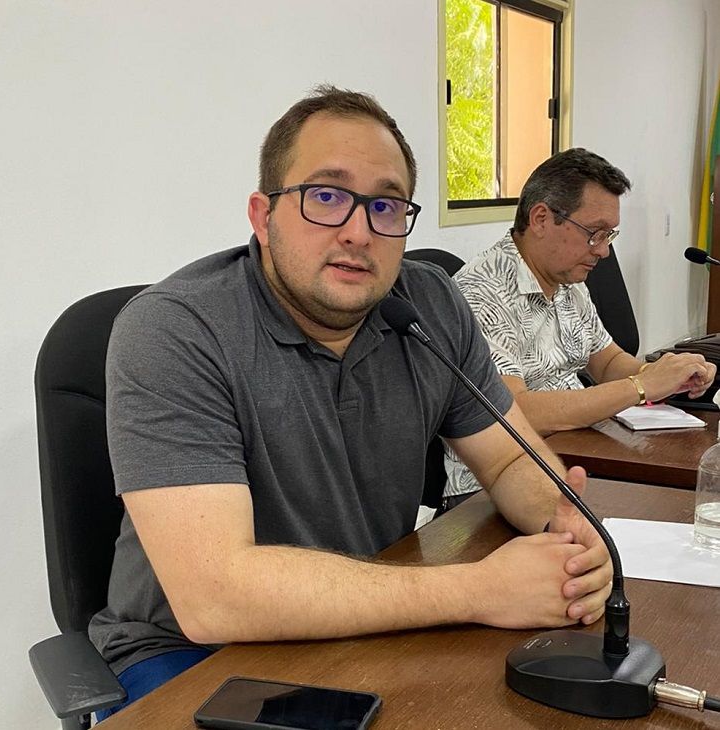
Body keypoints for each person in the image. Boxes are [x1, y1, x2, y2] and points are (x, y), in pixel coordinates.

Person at [90, 87, 611, 718]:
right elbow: (214, 596)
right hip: (195, 655)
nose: (359, 232)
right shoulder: (175, 331)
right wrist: (478, 589)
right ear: (263, 216)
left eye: (386, 206)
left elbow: (507, 459)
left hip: (368, 620)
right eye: (326, 197)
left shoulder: (429, 306)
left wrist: (563, 531)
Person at [443, 148, 716, 506]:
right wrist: (639, 387)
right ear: (541, 219)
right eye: (595, 233)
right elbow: (515, 412)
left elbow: (607, 361)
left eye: (609, 235)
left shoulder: (567, 281)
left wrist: (667, 374)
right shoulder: (480, 294)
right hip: (496, 487)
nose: (603, 251)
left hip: (576, 454)